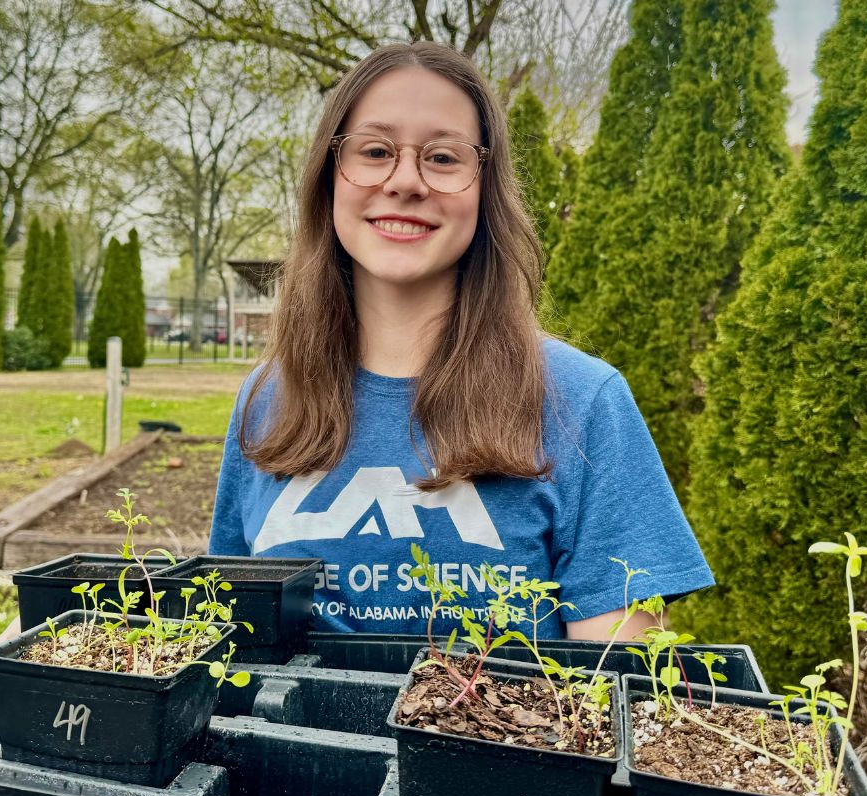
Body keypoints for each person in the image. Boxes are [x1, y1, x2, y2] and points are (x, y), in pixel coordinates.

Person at [208, 41, 713, 643]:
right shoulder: (267, 399)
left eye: (444, 157)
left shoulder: (584, 402)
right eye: (375, 151)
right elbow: (228, 638)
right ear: (329, 180)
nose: (405, 180)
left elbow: (616, 691)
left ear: (486, 191)